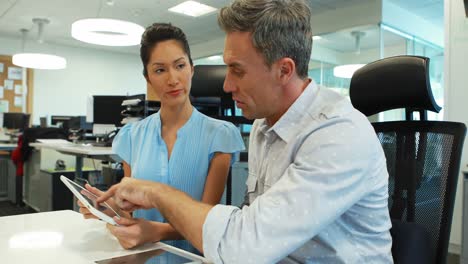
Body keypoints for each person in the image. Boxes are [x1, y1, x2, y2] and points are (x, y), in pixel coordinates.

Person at [98, 0, 393, 263]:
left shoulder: (338, 136)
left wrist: (155, 192)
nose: (227, 85)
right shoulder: (264, 126)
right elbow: (249, 223)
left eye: (237, 70)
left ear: (284, 70)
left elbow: (242, 248)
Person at [79, 23, 245, 254]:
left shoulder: (219, 135)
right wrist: (110, 210)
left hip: (192, 258)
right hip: (142, 257)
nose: (173, 79)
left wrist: (156, 231)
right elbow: (131, 213)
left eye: (180, 65)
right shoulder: (132, 136)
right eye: (160, 70)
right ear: (147, 77)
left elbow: (207, 222)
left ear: (192, 68)